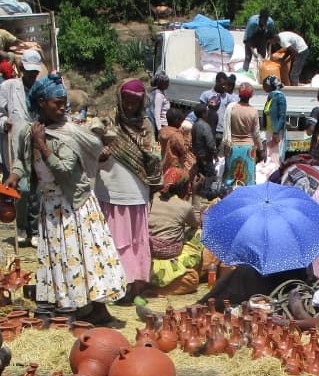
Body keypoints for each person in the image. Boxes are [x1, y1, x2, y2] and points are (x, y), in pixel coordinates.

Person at [14, 73, 126, 325]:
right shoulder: (27, 131)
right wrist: (13, 178)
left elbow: (64, 169)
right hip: (50, 206)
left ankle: (95, 308)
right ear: (42, 102)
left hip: (74, 205)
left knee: (84, 256)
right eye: (58, 102)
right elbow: (21, 163)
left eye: (64, 101)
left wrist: (42, 145)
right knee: (58, 256)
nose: (64, 106)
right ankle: (66, 305)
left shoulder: (68, 133)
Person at [94, 79, 161, 305]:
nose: (130, 106)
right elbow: (90, 144)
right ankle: (112, 284)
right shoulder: (106, 121)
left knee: (133, 242)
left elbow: (152, 155)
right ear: (120, 100)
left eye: (135, 102)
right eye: (127, 101)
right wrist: (100, 152)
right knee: (112, 240)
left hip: (136, 191)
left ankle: (131, 285)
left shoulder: (145, 125)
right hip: (110, 189)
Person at [0, 49, 43, 245]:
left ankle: (35, 229)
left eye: (35, 73)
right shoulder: (8, 86)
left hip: (38, 143)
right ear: (21, 68)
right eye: (29, 72)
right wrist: (4, 122)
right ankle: (22, 227)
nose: (32, 76)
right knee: (22, 189)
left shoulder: (41, 88)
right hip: (17, 143)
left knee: (38, 190)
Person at [147, 168, 202, 296]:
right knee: (198, 232)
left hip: (149, 248)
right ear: (184, 187)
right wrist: (196, 194)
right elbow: (196, 223)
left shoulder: (151, 199)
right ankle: (162, 289)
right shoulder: (184, 206)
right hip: (170, 252)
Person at [223, 82, 263, 189]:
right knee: (248, 179)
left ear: (239, 94)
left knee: (231, 177)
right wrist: (261, 148)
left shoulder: (232, 109)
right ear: (251, 96)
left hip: (233, 147)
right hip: (248, 149)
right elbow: (256, 133)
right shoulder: (253, 111)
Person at [190, 99, 219, 199]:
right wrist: (215, 154)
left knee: (201, 174)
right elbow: (210, 143)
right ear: (203, 113)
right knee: (210, 175)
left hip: (198, 155)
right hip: (206, 156)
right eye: (206, 112)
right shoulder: (205, 126)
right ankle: (207, 194)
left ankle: (199, 193)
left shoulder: (194, 125)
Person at [158, 105, 193, 179]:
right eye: (181, 121)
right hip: (174, 166)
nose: (181, 123)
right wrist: (187, 137)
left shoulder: (162, 131)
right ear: (177, 120)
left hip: (163, 163)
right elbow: (184, 150)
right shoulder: (176, 135)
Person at [262, 76, 288, 167]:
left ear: (270, 85)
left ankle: (275, 177)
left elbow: (282, 116)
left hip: (277, 132)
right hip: (270, 131)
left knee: (276, 157)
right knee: (269, 156)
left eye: (264, 84)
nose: (263, 86)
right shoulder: (270, 96)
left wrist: (276, 132)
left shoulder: (280, 96)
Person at [242, 8, 277, 72]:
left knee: (262, 59)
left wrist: (269, 50)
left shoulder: (270, 23)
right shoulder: (252, 23)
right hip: (251, 38)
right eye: (263, 20)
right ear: (260, 18)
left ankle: (261, 76)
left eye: (266, 20)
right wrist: (254, 53)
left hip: (262, 38)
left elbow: (271, 37)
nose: (265, 22)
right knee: (248, 57)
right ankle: (244, 73)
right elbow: (248, 40)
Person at [147, 73, 170, 137]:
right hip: (162, 125)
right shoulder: (158, 95)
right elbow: (157, 113)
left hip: (164, 124)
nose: (168, 84)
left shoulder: (162, 92)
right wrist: (159, 129)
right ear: (162, 83)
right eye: (167, 82)